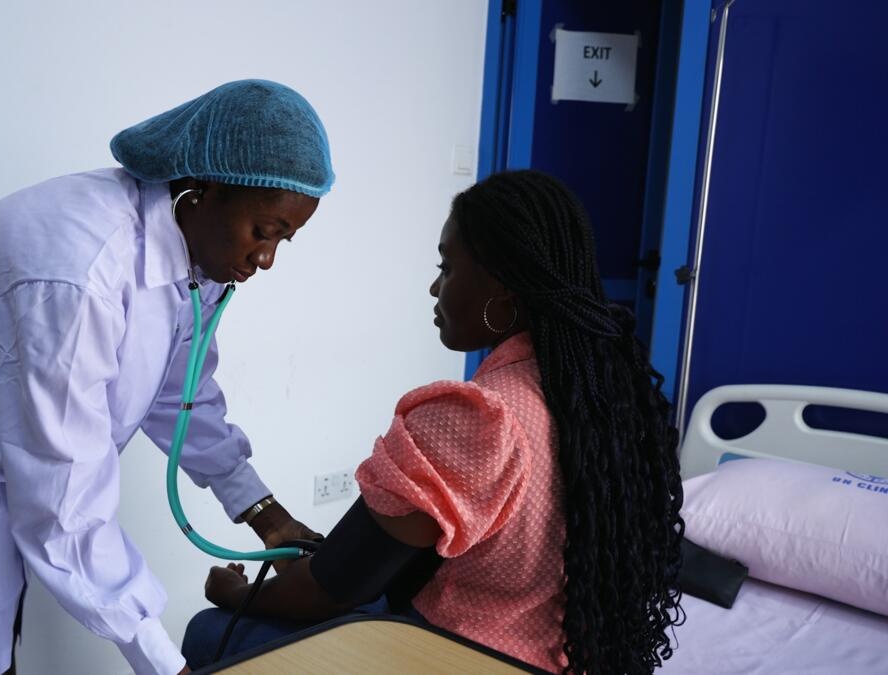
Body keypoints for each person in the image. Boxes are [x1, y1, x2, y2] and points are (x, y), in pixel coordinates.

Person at [0, 79, 333, 675]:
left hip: (2, 449)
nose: (264, 260)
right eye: (262, 232)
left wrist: (264, 514)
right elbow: (64, 505)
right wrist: (167, 665)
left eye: (283, 241)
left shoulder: (197, 254)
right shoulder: (75, 271)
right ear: (203, 186)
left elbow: (182, 394)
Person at [185, 170, 684, 674]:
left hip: (456, 656)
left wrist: (240, 593)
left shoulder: (479, 417)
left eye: (446, 267)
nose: (433, 286)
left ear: (502, 286)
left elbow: (333, 589)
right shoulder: (605, 396)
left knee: (206, 632)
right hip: (560, 659)